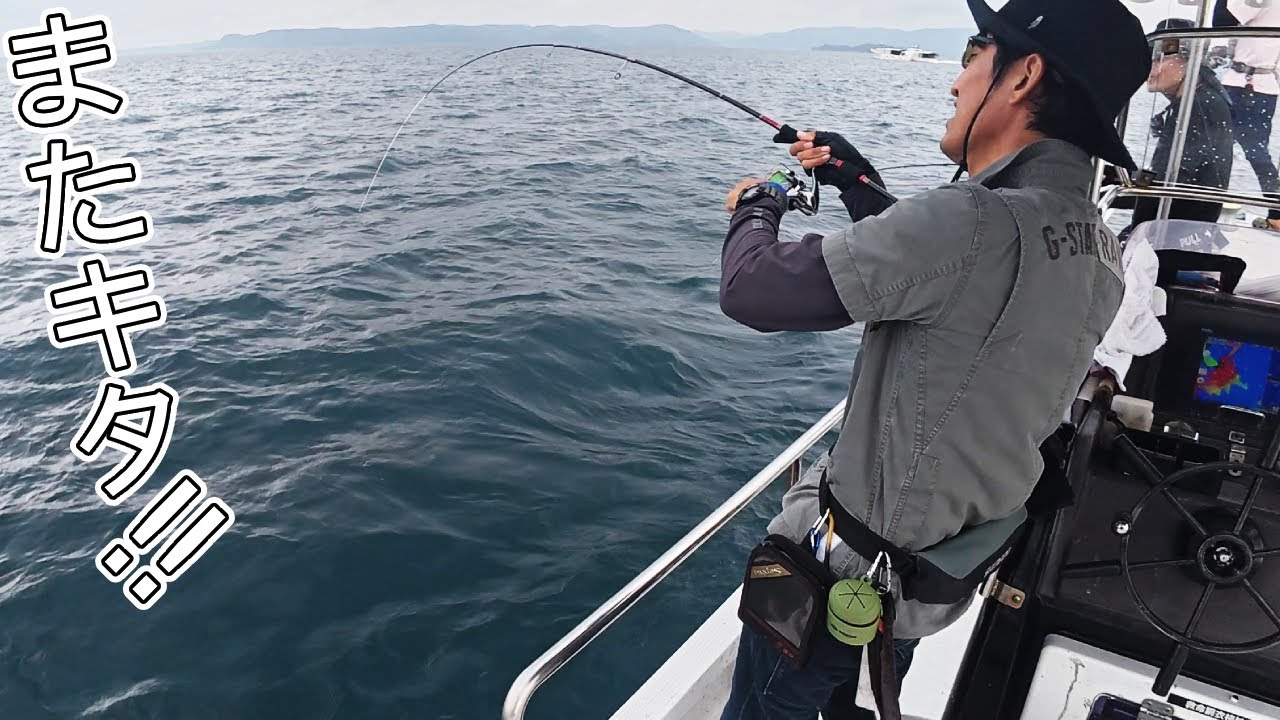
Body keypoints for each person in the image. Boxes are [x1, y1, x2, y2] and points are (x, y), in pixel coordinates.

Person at [714, 0, 1151, 718]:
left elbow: (754, 290)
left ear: (1024, 75)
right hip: (921, 588)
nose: (955, 83)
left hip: (836, 584)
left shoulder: (972, 223)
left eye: (975, 54)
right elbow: (953, 284)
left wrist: (756, 206)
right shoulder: (1096, 244)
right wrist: (859, 184)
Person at [1106, 17, 1235, 231]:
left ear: (1189, 59)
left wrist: (1109, 185)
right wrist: (1117, 177)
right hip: (1181, 227)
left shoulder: (1198, 107)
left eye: (1159, 58)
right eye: (1149, 58)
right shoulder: (1200, 99)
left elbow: (1167, 183)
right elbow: (1169, 175)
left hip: (1173, 235)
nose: (1150, 67)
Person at [1214, 0, 1280, 229]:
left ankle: (1202, 203)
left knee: (1215, 146)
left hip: (1245, 86)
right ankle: (1276, 213)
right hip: (1259, 85)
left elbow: (1221, 22)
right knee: (1255, 153)